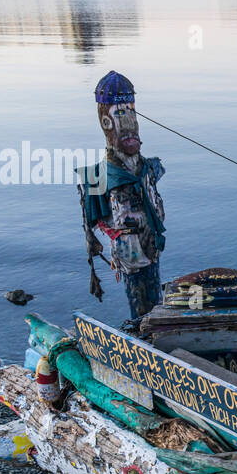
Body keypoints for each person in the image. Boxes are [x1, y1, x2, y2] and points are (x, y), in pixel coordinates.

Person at [78, 71, 167, 323]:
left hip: (150, 243)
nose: (128, 122)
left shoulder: (146, 168)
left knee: (154, 293)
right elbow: (92, 218)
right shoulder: (104, 174)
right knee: (140, 300)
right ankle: (144, 337)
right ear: (106, 121)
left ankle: (156, 330)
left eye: (131, 112)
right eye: (120, 113)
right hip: (129, 249)